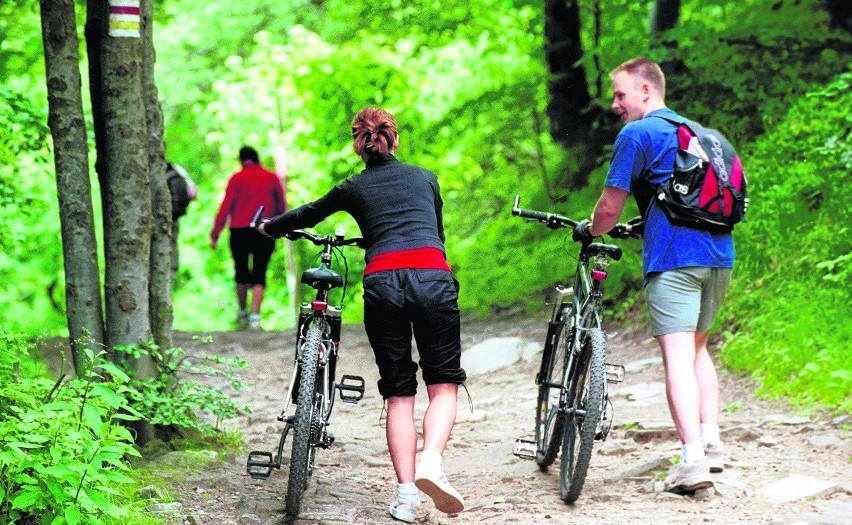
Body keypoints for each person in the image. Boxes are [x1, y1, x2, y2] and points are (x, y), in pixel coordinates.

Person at [259, 107, 467, 522]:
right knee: (443, 385)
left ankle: (406, 497)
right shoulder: (425, 177)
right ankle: (432, 462)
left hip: (384, 282)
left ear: (359, 143)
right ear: (395, 139)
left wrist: (269, 227)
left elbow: (307, 214)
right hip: (431, 275)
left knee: (399, 392)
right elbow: (437, 235)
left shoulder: (353, 186)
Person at [574, 57, 733, 494]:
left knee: (678, 357)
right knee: (699, 350)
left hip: (675, 260)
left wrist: (591, 229)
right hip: (720, 255)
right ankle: (711, 443)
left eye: (620, 94)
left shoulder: (637, 133)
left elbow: (608, 209)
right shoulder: (701, 134)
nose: (614, 104)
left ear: (646, 91)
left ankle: (692, 461)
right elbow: (684, 196)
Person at [211, 146, 286, 330]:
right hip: (264, 228)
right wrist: (279, 225)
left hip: (239, 230)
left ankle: (243, 312)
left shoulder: (236, 179)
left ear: (241, 160)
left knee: (241, 271)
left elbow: (225, 207)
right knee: (260, 271)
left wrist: (215, 234)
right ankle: (255, 317)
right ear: (257, 158)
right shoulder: (271, 177)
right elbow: (282, 207)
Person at [166, 161, 197, 275]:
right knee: (172, 242)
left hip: (163, 215)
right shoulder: (176, 169)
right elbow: (193, 193)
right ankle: (172, 273)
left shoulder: (152, 170)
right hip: (175, 216)